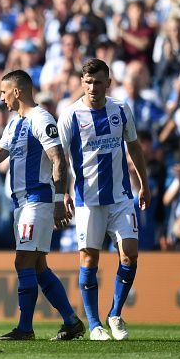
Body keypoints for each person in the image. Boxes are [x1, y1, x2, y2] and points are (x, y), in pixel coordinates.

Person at [0, 70, 85, 341]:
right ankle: (71, 320)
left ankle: (25, 328)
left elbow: (58, 160)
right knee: (38, 265)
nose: (2, 99)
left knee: (23, 261)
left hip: (37, 199)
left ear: (17, 91)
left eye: (4, 93)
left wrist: (57, 200)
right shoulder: (14, 124)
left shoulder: (41, 119)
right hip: (21, 203)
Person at [57, 58, 150, 341]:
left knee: (130, 254)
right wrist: (62, 192)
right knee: (89, 260)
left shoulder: (121, 109)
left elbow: (134, 146)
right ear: (81, 83)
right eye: (88, 82)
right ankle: (95, 324)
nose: (93, 87)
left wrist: (144, 184)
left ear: (108, 83)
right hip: (87, 200)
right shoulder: (70, 116)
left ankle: (115, 314)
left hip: (121, 197)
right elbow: (58, 159)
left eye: (98, 82)